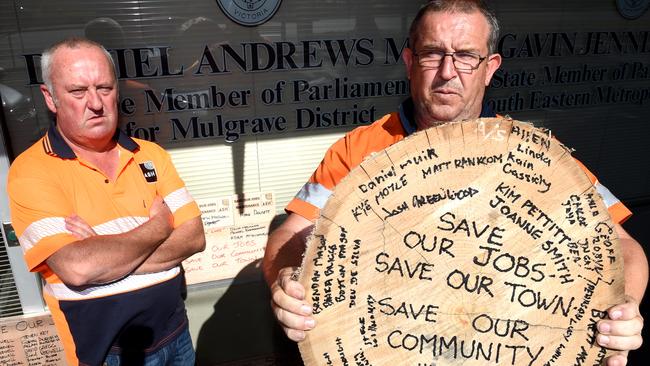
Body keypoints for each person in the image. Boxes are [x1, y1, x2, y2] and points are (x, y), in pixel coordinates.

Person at [261, 1, 648, 365]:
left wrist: (624, 304)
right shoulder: (359, 149)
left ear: (490, 66)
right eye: (432, 53)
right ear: (410, 61)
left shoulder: (540, 158)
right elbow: (291, 233)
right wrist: (289, 283)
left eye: (465, 56)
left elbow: (624, 246)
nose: (448, 72)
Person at [7, 37, 206, 365]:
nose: (96, 103)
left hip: (176, 336)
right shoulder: (32, 170)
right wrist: (159, 225)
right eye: (78, 91)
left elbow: (194, 237)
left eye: (104, 88)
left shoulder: (150, 155)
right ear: (51, 98)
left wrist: (103, 250)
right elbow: (78, 268)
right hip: (104, 352)